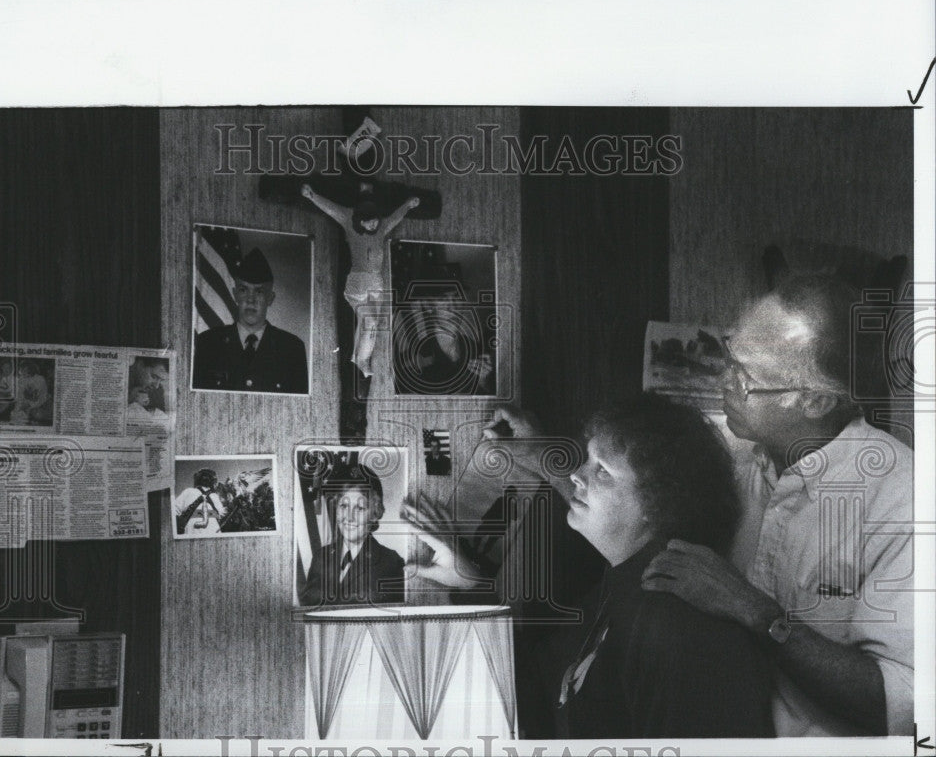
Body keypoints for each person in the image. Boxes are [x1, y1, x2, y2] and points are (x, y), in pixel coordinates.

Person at [641, 273, 913, 737]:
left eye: (745, 376)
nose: (723, 381)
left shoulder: (903, 498)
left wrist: (754, 610)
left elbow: (901, 707)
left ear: (815, 400)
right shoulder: (739, 450)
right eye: (728, 355)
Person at [406, 395, 774, 738]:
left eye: (602, 472)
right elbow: (536, 685)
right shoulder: (631, 582)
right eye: (588, 460)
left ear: (657, 506)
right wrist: (473, 585)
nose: (577, 477)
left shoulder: (683, 635)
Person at [302, 182, 419, 377]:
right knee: (370, 324)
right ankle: (362, 360)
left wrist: (408, 205)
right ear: (359, 220)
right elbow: (330, 208)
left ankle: (360, 358)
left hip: (376, 285)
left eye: (375, 220)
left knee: (371, 327)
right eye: (369, 221)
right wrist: (312, 196)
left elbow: (394, 219)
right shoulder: (349, 220)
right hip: (358, 284)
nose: (374, 224)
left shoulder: (380, 228)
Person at [193, 247, 308, 393]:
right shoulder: (208, 344)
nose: (250, 300)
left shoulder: (292, 349)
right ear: (235, 295)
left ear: (270, 298)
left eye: (259, 291)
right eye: (243, 290)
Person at [299, 468, 405, 606]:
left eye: (360, 508)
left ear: (374, 514)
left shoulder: (391, 564)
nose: (349, 517)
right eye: (343, 506)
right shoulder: (321, 557)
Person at [392, 285, 495, 396]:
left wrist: (483, 382)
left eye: (457, 297)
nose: (453, 307)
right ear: (428, 306)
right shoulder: (415, 353)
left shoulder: (473, 347)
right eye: (442, 299)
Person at [174, 468, 226, 535]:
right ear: (212, 482)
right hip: (212, 527)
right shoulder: (214, 496)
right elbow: (222, 513)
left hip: (192, 528)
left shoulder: (188, 491)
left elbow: (174, 510)